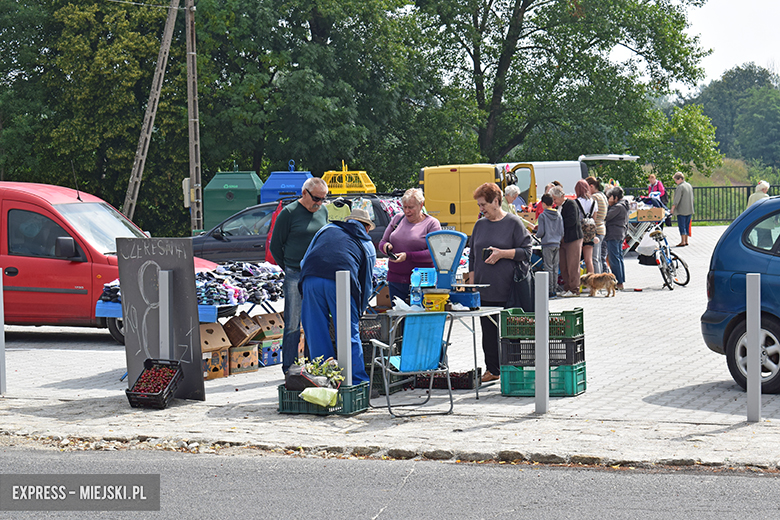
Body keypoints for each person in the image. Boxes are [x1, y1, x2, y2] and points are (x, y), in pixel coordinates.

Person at [299, 208, 377, 384]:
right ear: (366, 228)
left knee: (316, 333)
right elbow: (366, 284)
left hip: (310, 278)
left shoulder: (326, 229)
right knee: (348, 333)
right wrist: (359, 311)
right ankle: (357, 382)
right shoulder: (366, 243)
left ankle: (324, 380)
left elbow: (304, 260)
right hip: (340, 282)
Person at [468, 183, 532, 383]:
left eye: (484, 204)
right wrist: (472, 284)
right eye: (479, 205)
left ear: (496, 201)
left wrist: (502, 254)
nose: (481, 209)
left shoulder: (513, 223)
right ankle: (493, 369)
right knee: (488, 332)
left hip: (508, 289)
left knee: (511, 332)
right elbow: (472, 256)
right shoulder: (479, 224)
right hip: (484, 289)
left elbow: (527, 252)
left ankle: (514, 369)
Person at [269, 177, 329, 374]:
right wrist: (289, 267)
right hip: (295, 273)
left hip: (316, 273)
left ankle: (314, 364)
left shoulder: (323, 211)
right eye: (316, 199)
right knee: (293, 323)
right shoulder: (289, 213)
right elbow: (276, 246)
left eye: (323, 199)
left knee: (315, 320)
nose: (319, 203)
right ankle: (290, 367)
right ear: (304, 193)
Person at [378, 188, 441, 303]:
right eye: (405, 207)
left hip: (422, 282)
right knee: (399, 318)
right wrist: (386, 247)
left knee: (419, 319)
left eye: (411, 207)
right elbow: (382, 242)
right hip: (395, 279)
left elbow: (434, 253)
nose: (407, 211)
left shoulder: (432, 223)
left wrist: (407, 256)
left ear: (421, 205)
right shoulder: (397, 218)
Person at [552, 186, 582, 297]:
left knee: (572, 264)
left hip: (573, 238)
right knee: (563, 265)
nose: (554, 202)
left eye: (555, 199)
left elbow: (572, 220)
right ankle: (567, 287)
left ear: (561, 196)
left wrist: (558, 224)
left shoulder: (571, 204)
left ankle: (574, 289)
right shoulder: (557, 207)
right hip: (562, 239)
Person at [536, 193, 563, 298]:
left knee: (548, 267)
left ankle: (549, 290)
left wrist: (536, 234)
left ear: (543, 204)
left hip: (547, 244)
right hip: (557, 243)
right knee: (555, 267)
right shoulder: (559, 215)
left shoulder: (543, 216)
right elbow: (562, 232)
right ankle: (555, 289)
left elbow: (541, 232)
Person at [604, 186, 629, 291]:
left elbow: (606, 216)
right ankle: (620, 280)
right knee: (618, 257)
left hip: (614, 234)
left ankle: (618, 282)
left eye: (609, 197)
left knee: (614, 259)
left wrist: (607, 206)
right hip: (619, 234)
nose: (608, 199)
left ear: (615, 197)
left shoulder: (617, 207)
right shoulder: (623, 205)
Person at [586, 176, 609, 274]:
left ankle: (597, 282)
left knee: (594, 258)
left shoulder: (594, 197)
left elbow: (590, 213)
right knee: (598, 258)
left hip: (596, 230)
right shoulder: (602, 195)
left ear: (591, 186)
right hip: (602, 228)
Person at [574, 179, 597, 274]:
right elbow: (594, 218)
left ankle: (578, 282)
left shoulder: (576, 202)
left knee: (577, 260)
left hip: (579, 232)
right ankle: (591, 283)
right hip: (590, 232)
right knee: (589, 260)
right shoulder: (593, 202)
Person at [671, 171, 694, 247]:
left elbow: (677, 199)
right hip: (689, 209)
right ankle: (686, 240)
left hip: (682, 209)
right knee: (687, 225)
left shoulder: (680, 187)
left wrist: (673, 208)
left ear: (680, 179)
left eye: (676, 180)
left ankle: (682, 241)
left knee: (682, 225)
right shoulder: (689, 185)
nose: (676, 182)